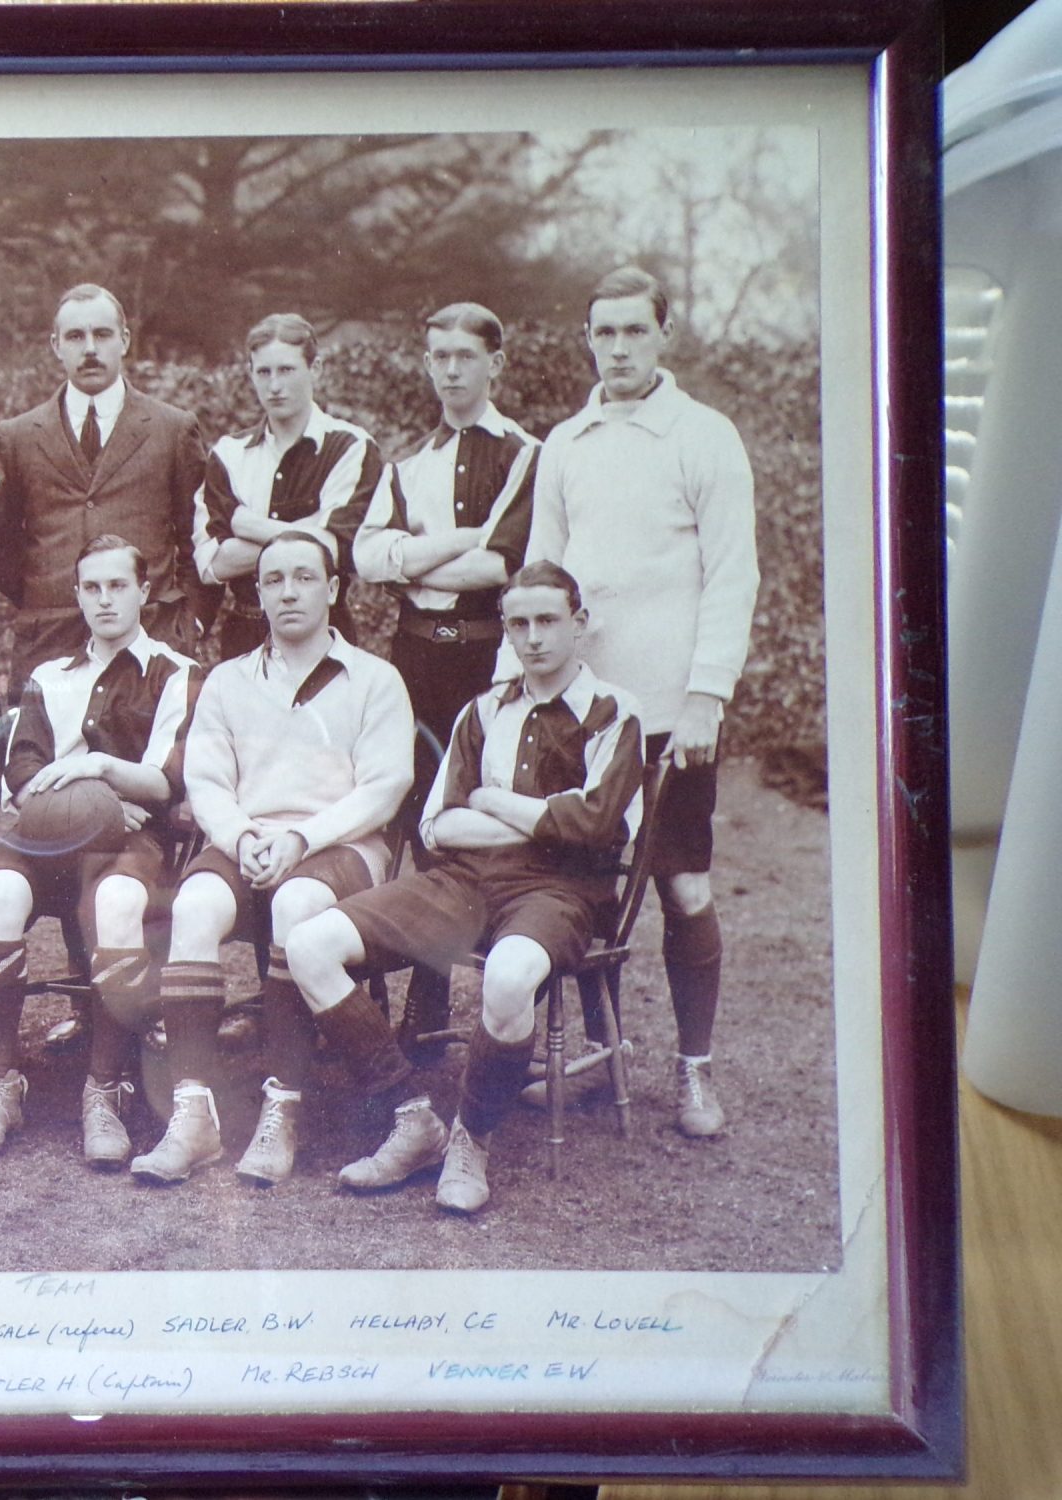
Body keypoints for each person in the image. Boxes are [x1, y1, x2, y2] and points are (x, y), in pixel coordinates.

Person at [282, 561, 646, 1212]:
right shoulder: (481, 711)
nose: (533, 637)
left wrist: (493, 798)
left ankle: (469, 1140)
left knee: (507, 980)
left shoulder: (614, 713)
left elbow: (596, 828)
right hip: (462, 881)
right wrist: (541, 818)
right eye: (518, 624)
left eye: (548, 621)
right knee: (310, 944)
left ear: (579, 624)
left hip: (558, 894)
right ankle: (411, 1116)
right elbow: (440, 824)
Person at [524, 265, 759, 1137]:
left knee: (683, 886)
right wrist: (530, 681)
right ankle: (600, 1056)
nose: (617, 348)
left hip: (671, 712)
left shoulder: (704, 436)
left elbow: (734, 576)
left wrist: (705, 698)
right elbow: (541, 575)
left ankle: (694, 1071)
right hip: (583, 710)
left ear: (664, 335)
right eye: (603, 332)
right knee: (577, 884)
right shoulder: (565, 443)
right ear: (588, 339)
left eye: (633, 331)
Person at [130, 530, 414, 1185]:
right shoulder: (228, 681)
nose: (289, 591)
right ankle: (193, 1112)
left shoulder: (375, 679)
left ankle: (281, 1107)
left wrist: (301, 840)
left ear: (334, 588)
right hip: (248, 840)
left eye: (304, 577)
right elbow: (206, 782)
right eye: (274, 580)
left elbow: (386, 786)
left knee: (295, 903)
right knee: (197, 905)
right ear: (256, 593)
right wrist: (241, 839)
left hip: (341, 846)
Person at [0, 534, 198, 1165]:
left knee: (119, 904)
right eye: (91, 587)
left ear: (145, 591)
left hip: (130, 835)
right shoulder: (47, 675)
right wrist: (88, 796)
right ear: (77, 595)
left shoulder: (175, 674)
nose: (105, 599)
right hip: (46, 832)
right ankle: (1, 1082)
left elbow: (166, 779)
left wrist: (95, 769)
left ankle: (104, 1089)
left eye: (118, 585)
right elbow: (22, 770)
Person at [353, 301, 540, 1064]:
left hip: (483, 655)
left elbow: (500, 564)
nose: (452, 369)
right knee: (393, 810)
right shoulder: (407, 463)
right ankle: (360, 990)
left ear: (495, 362)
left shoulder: (527, 454)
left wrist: (417, 553)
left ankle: (432, 1005)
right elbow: (366, 559)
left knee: (456, 821)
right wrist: (444, 546)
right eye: (440, 355)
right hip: (411, 656)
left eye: (467, 355)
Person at [0, 284, 210, 684]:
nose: (90, 348)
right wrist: (46, 596)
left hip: (150, 638)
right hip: (48, 642)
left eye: (102, 335)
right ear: (55, 345)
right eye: (75, 336)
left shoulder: (172, 428)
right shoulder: (17, 435)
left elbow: (200, 537)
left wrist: (189, 623)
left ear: (124, 340)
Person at [191, 314, 383, 660]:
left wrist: (247, 525)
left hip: (325, 636)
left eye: (287, 370)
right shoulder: (228, 455)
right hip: (244, 639)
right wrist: (311, 532)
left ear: (316, 369)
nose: (274, 385)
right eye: (263, 372)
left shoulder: (352, 447)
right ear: (250, 373)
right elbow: (212, 565)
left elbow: (340, 549)